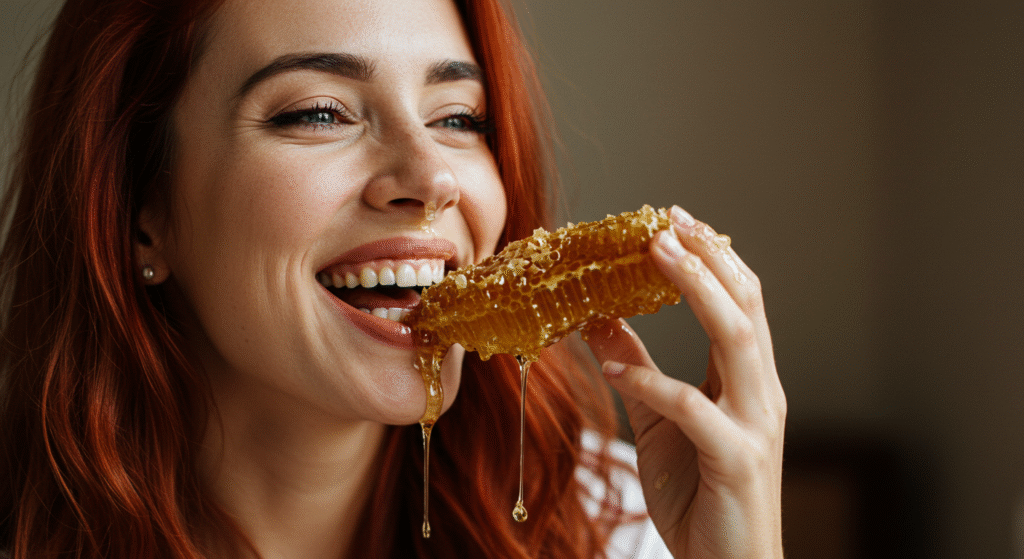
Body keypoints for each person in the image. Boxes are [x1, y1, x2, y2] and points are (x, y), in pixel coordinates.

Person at [0, 0, 786, 557]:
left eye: (457, 118)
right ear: (143, 209)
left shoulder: (616, 525)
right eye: (318, 112)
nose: (431, 176)